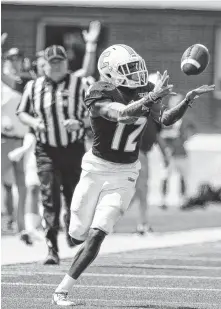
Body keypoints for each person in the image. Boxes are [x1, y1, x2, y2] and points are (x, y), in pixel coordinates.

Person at [52, 44, 215, 306]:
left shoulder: (146, 91)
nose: (137, 72)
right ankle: (68, 229)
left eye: (136, 66)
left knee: (98, 233)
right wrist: (151, 98)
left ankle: (61, 290)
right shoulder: (99, 90)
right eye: (128, 68)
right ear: (109, 72)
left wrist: (187, 100)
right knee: (77, 233)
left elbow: (164, 120)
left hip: (126, 173)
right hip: (95, 169)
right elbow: (122, 115)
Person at [17, 21, 101, 265]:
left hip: (73, 149)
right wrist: (34, 122)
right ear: (45, 65)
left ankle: (71, 231)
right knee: (49, 197)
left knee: (73, 196)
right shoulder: (33, 87)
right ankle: (52, 247)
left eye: (59, 62)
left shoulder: (78, 84)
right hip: (46, 150)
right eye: (51, 63)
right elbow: (22, 112)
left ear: (66, 63)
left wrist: (80, 123)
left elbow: (94, 114)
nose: (55, 67)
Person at [1, 43, 32, 244]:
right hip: (3, 139)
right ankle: (8, 219)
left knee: (22, 185)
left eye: (17, 59)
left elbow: (14, 82)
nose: (15, 62)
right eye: (11, 58)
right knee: (5, 183)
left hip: (22, 141)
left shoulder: (25, 80)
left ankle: (21, 227)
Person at [131, 116, 170, 234]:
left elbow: (158, 138)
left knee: (136, 191)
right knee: (141, 190)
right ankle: (143, 223)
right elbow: (158, 138)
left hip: (131, 155)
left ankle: (143, 222)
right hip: (138, 155)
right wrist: (165, 156)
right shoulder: (150, 119)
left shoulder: (146, 117)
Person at [159, 94, 196, 209]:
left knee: (183, 177)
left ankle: (183, 200)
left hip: (181, 152)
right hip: (169, 153)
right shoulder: (166, 118)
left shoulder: (185, 119)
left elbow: (191, 131)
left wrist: (184, 137)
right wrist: (171, 135)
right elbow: (159, 134)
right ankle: (163, 200)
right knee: (165, 176)